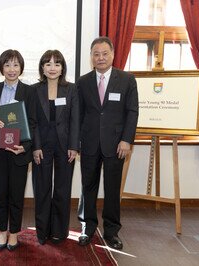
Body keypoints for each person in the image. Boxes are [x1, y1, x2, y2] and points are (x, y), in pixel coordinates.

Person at [77, 37, 139, 250]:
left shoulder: (127, 79)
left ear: (112, 54)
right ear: (91, 57)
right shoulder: (83, 81)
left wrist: (126, 140)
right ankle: (87, 228)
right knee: (88, 188)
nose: (100, 57)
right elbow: (78, 114)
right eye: (96, 53)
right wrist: (77, 142)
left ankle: (112, 232)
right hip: (90, 143)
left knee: (112, 190)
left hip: (116, 145)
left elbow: (132, 112)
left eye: (104, 53)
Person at [0, 49, 34, 251]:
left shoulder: (30, 91)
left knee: (16, 194)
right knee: (0, 194)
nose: (11, 69)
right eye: (7, 65)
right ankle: (2, 233)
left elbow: (33, 122)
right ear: (1, 68)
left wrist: (26, 147)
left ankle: (14, 233)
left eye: (15, 65)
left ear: (21, 67)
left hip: (18, 150)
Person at [31, 50, 79, 245]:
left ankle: (59, 231)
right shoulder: (34, 90)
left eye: (57, 64)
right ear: (42, 67)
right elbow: (32, 121)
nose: (52, 68)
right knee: (42, 188)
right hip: (41, 145)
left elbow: (75, 119)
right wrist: (35, 146)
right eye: (48, 64)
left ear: (62, 68)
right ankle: (42, 232)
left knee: (62, 189)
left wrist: (74, 146)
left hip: (65, 145)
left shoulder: (72, 89)